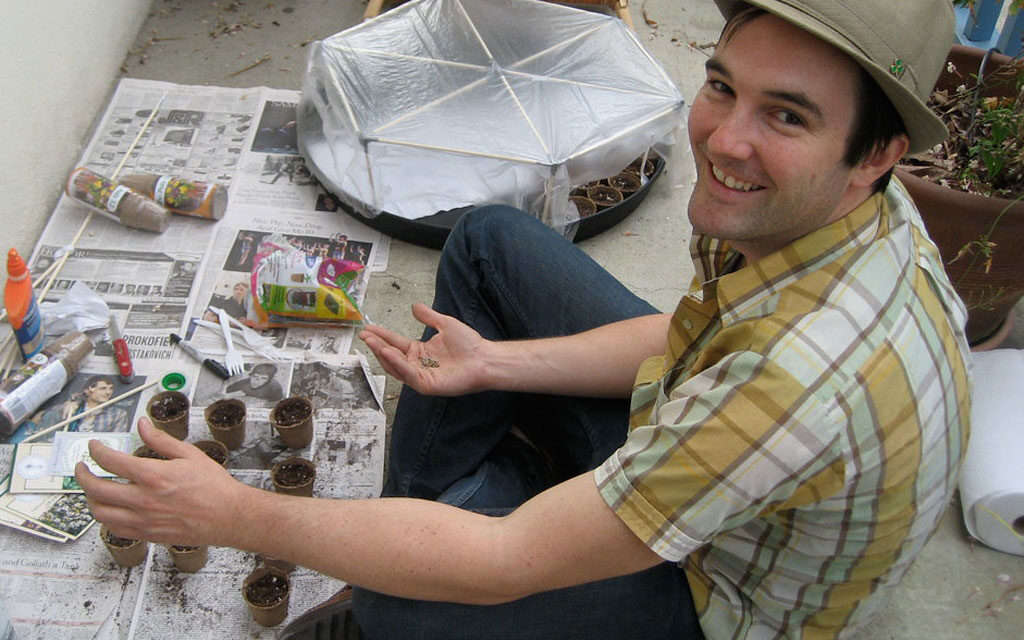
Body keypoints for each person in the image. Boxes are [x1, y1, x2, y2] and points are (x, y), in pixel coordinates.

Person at [76, 2, 971, 639]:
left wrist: (235, 511)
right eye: (723, 87)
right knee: (491, 242)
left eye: (786, 115)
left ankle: (439, 540)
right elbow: (687, 340)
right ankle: (441, 519)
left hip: (723, 592)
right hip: (728, 447)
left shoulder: (796, 382)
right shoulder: (834, 210)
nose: (724, 142)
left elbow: (506, 561)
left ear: (878, 153)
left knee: (402, 606)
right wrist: (497, 367)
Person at [219, 362, 284, 406]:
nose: (256, 381)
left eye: (263, 378)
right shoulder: (244, 383)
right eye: (255, 376)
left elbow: (278, 402)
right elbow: (226, 389)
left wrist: (263, 405)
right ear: (250, 376)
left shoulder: (275, 387)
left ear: (268, 380)